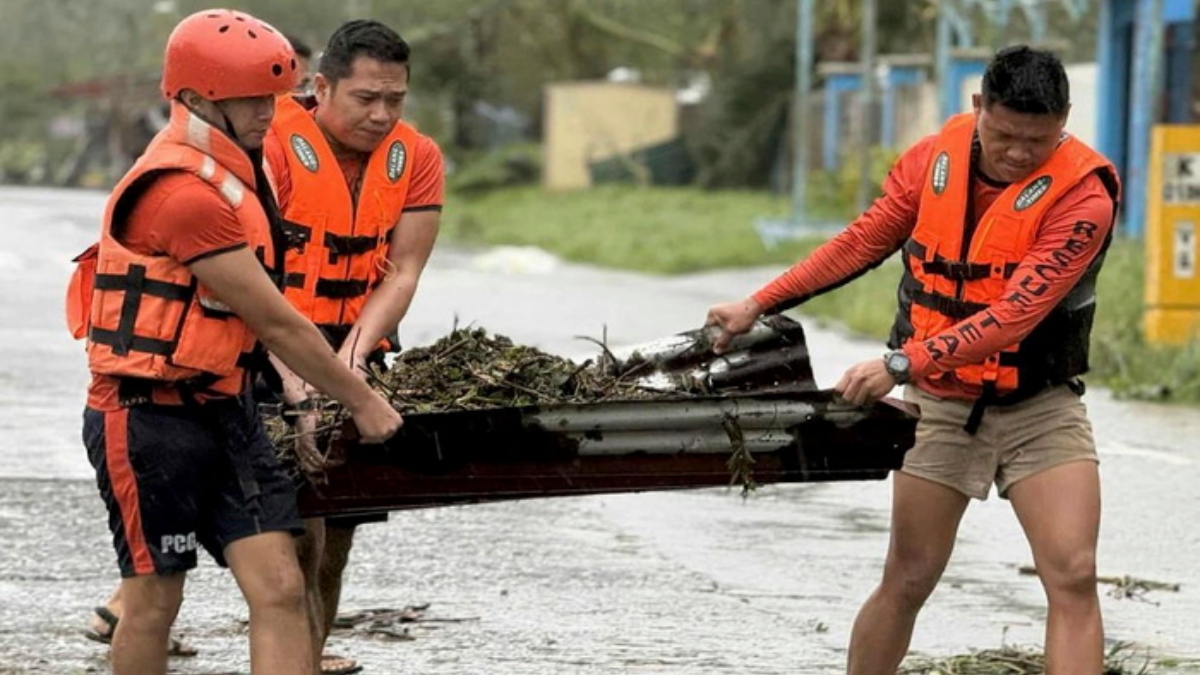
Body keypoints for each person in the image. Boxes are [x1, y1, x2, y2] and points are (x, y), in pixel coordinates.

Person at [706, 46, 1118, 675]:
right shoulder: (933, 162)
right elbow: (863, 240)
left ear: (1064, 120)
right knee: (908, 577)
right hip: (943, 406)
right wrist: (757, 304)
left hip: (1041, 409)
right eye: (1004, 134)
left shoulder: (1084, 198)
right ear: (978, 107)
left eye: (1038, 140)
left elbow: (1013, 315)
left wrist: (900, 366)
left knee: (1075, 574)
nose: (1018, 153)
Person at [66, 9, 402, 675]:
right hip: (145, 417)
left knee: (279, 585)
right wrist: (363, 401)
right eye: (249, 99)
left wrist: (305, 391)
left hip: (226, 409)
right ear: (194, 100)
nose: (266, 114)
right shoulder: (181, 194)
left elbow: (256, 326)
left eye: (273, 98)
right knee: (154, 602)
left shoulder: (243, 176)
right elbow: (275, 320)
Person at [260, 19, 444, 675]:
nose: (381, 113)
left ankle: (306, 652)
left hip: (355, 343)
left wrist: (353, 362)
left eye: (395, 99)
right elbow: (251, 275)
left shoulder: (416, 155)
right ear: (322, 86)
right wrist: (302, 371)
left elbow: (403, 271)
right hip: (269, 340)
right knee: (296, 532)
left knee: (336, 534)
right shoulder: (272, 142)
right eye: (366, 97)